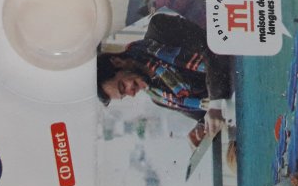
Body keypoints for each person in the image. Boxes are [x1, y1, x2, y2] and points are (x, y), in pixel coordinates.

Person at [97, 13, 233, 136]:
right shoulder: (159, 98)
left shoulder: (160, 28)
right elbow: (204, 115)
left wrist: (216, 103)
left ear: (117, 61)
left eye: (122, 87)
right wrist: (200, 131)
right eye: (125, 95)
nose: (131, 93)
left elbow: (212, 46)